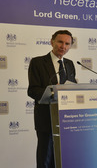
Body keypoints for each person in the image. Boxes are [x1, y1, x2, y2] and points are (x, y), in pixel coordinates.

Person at [28, 30, 77, 168]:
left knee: (63, 159)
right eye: (60, 42)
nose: (63, 46)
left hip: (67, 119)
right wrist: (52, 91)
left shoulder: (70, 64)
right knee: (46, 159)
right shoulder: (38, 62)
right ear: (52, 42)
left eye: (67, 44)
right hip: (46, 118)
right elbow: (32, 90)